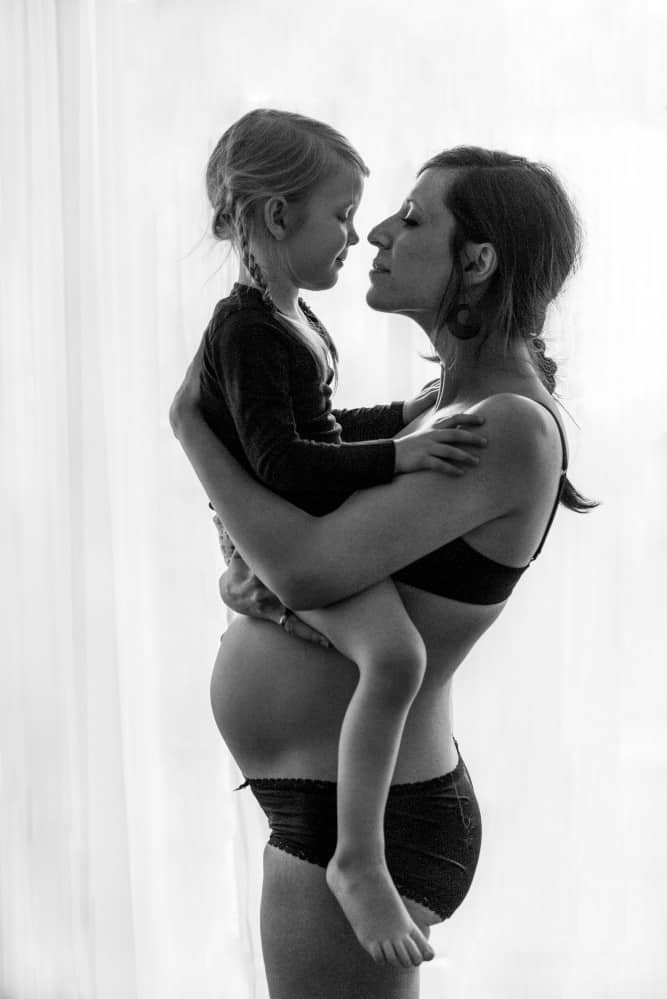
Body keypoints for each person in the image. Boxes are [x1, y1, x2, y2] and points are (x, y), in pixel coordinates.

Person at [170, 145, 595, 999]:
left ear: (477, 261)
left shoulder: (506, 426)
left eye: (412, 218)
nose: (375, 234)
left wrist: (192, 428)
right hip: (334, 804)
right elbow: (307, 533)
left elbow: (303, 570)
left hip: (367, 823)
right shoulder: (450, 410)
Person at [199, 110, 490, 966]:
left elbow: (313, 435)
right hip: (279, 541)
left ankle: (360, 855)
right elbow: (285, 464)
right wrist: (400, 452)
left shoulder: (290, 321)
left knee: (394, 658)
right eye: (342, 213)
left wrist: (401, 414)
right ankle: (356, 858)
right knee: (393, 657)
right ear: (277, 216)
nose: (358, 234)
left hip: (295, 549)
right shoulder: (248, 330)